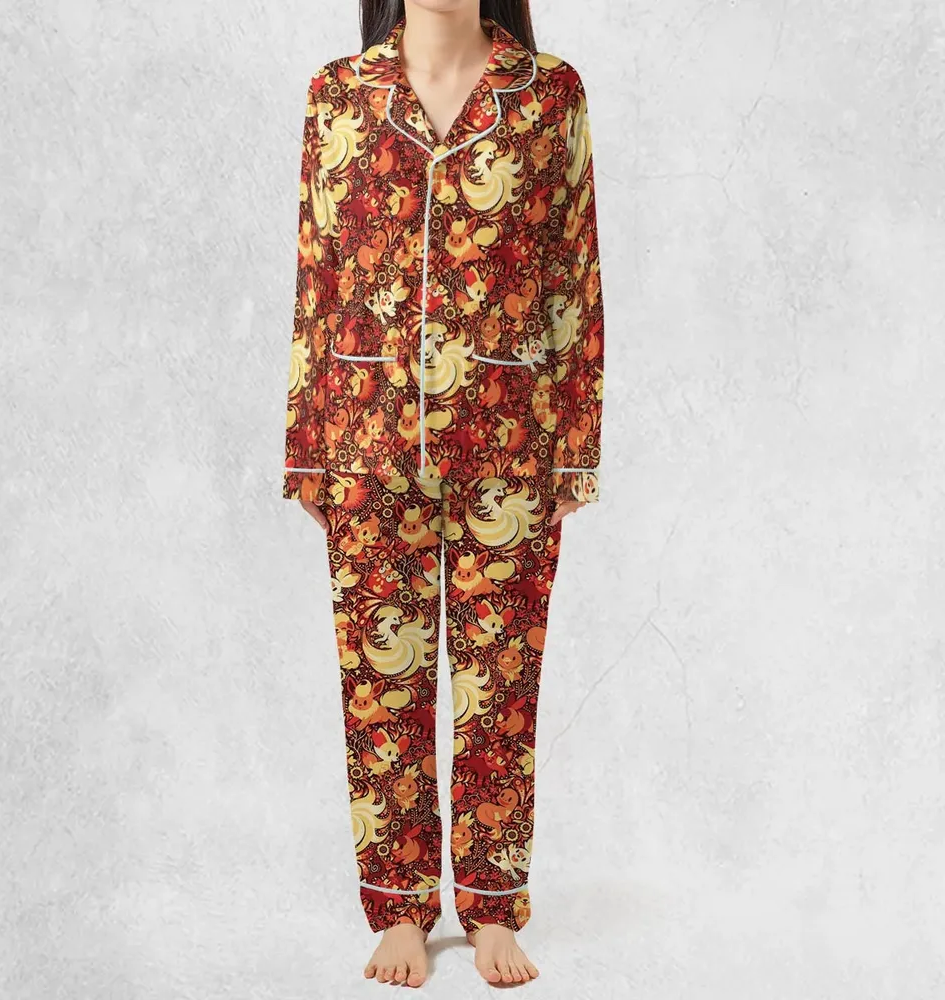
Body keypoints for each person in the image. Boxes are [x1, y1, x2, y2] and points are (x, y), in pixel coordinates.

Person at [281, 0, 603, 987]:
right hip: (366, 434)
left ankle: (493, 906)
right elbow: (317, 269)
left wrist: (575, 446)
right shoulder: (338, 95)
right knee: (382, 685)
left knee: (499, 687)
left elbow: (573, 275)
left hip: (511, 437)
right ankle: (400, 908)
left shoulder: (548, 96)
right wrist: (304, 443)